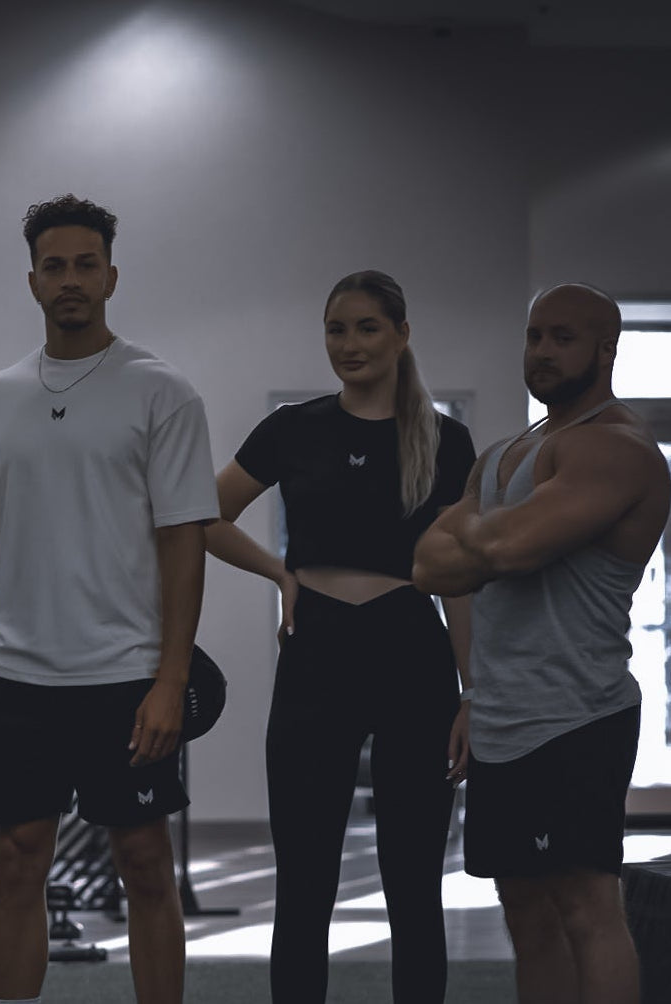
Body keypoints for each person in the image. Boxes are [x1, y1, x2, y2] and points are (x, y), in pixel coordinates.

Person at [0, 194, 219, 1004]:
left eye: (85, 265)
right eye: (53, 266)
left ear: (111, 275)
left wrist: (170, 677)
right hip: (16, 678)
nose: (69, 280)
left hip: (126, 677)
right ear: (32, 281)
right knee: (15, 858)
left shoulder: (161, 392)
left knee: (143, 862)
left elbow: (184, 543)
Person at [205, 270, 476, 1004]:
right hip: (318, 652)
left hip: (411, 655)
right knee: (304, 884)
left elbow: (461, 579)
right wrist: (279, 575)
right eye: (336, 329)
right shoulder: (294, 428)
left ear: (401, 335)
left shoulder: (447, 440)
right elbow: (203, 515)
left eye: (366, 328)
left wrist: (472, 694)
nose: (349, 344)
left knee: (414, 885)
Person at [412, 282, 671, 1004]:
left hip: (578, 713)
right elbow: (432, 567)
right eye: (535, 337)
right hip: (501, 716)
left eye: (563, 338)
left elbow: (512, 550)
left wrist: (483, 542)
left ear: (605, 349)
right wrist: (475, 687)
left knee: (588, 907)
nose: (544, 352)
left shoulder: (616, 450)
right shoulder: (506, 452)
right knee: (523, 910)